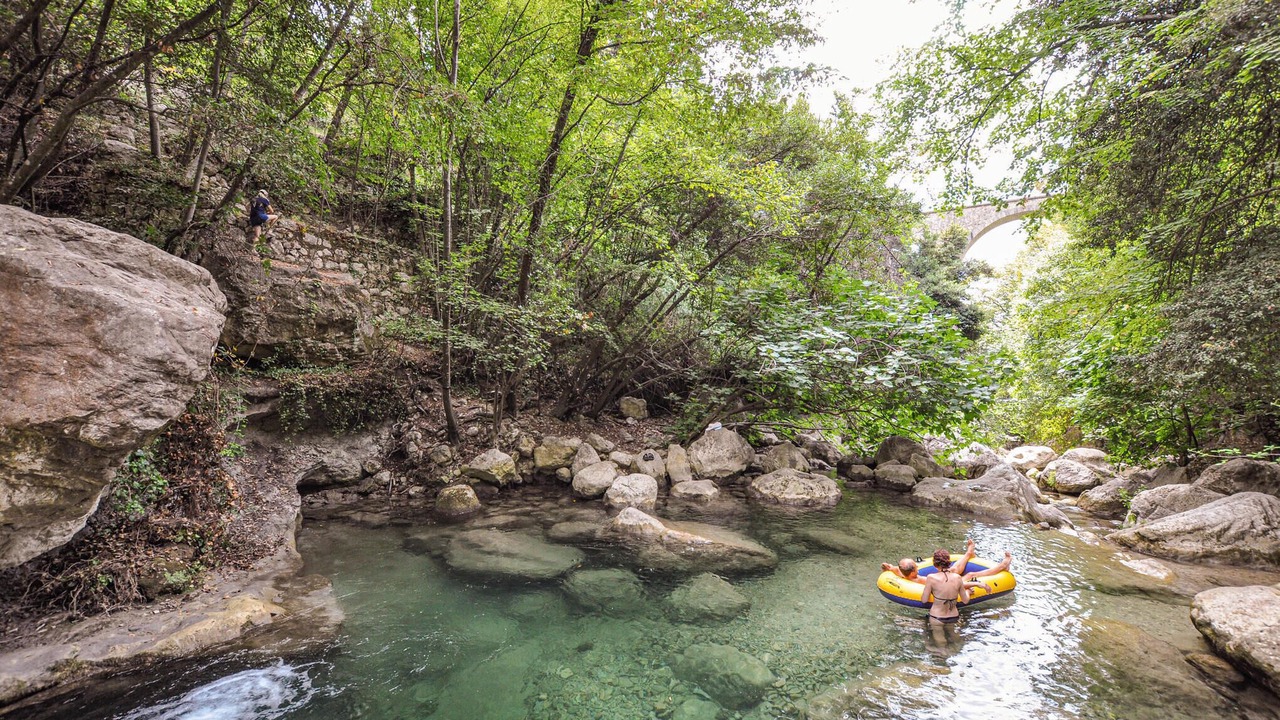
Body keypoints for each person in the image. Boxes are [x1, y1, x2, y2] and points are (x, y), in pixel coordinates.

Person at [881, 538, 1012, 585]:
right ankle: (1002, 567)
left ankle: (968, 553)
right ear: (913, 571)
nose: (917, 568)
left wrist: (889, 567)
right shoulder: (916, 579)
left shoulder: (905, 574)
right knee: (970, 575)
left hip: (943, 579)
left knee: (954, 570)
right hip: (946, 584)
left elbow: (898, 570)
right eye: (916, 567)